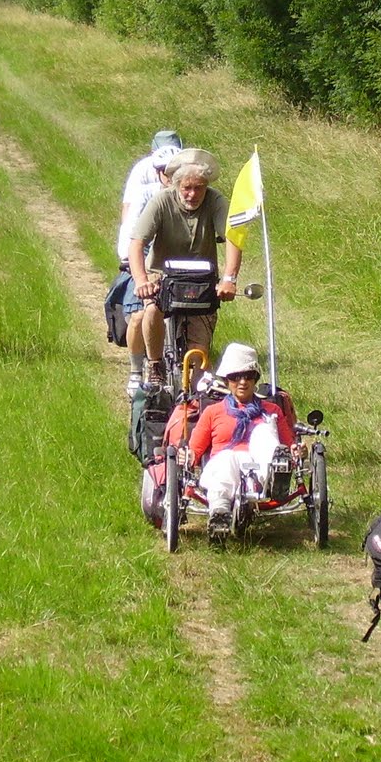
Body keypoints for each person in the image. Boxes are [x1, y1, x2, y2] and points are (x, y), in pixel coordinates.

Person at [126, 147, 242, 386]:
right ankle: (155, 364)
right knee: (151, 310)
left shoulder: (216, 201)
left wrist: (229, 278)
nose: (192, 194)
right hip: (161, 273)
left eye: (198, 187)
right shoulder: (161, 201)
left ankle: (196, 391)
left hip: (201, 278)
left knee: (199, 350)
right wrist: (141, 281)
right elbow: (137, 243)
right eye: (186, 188)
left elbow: (232, 238)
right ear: (175, 186)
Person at [187, 343, 295, 536]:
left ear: (256, 379)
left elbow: (289, 445)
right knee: (227, 458)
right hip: (224, 466)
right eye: (236, 377)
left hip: (260, 469)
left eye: (248, 376)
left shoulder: (272, 410)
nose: (243, 382)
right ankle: (219, 512)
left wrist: (296, 451)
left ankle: (276, 478)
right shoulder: (213, 412)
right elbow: (194, 450)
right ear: (227, 380)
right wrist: (185, 457)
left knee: (263, 431)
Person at [118, 131, 181, 392]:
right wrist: (135, 269)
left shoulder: (188, 193)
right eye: (164, 172)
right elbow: (132, 233)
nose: (170, 178)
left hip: (176, 260)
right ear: (157, 173)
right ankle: (135, 370)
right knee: (139, 314)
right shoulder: (147, 193)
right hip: (145, 259)